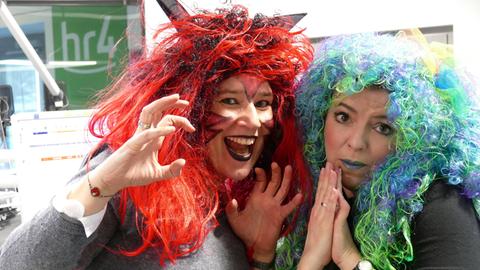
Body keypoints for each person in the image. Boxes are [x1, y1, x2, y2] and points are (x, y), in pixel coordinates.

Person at [0, 3, 313, 269]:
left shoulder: (232, 201)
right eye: (230, 101)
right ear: (191, 106)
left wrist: (257, 254)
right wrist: (101, 185)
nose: (253, 120)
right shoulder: (137, 174)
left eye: (263, 104)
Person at [291, 31, 480, 269]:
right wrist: (310, 259)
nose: (357, 142)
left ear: (413, 138)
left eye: (382, 127)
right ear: (320, 118)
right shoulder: (311, 202)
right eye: (343, 116)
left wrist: (349, 258)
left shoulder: (441, 204)